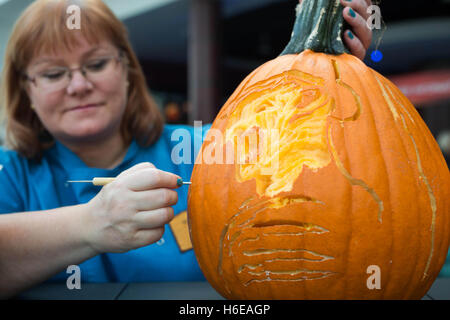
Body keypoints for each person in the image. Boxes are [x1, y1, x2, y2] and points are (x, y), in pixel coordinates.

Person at [0, 0, 373, 299]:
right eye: (53, 74)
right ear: (26, 90)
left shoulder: (204, 147)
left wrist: (334, 72)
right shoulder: (10, 173)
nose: (79, 85)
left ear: (127, 70)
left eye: (96, 64)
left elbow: (310, 156)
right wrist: (91, 224)